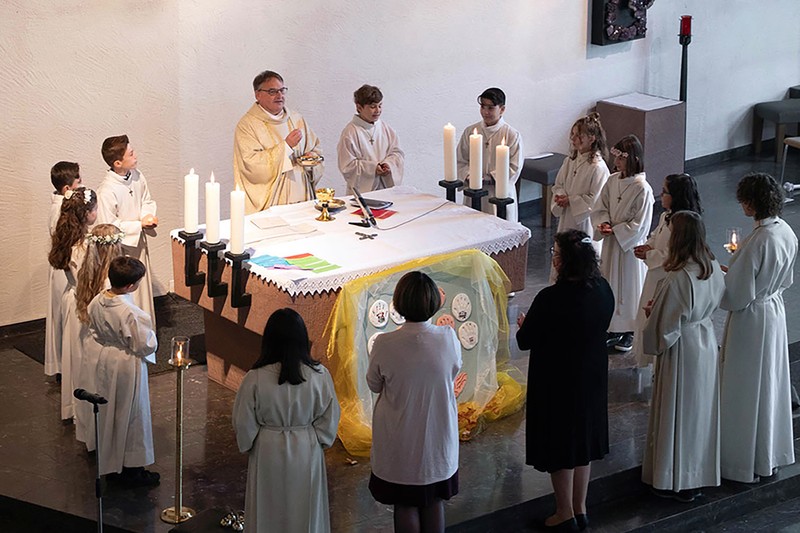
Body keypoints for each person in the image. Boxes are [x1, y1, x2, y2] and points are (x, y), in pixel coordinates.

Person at [517, 230, 614, 532]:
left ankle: (563, 513)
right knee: (582, 442)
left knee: (560, 444)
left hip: (557, 381)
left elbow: (525, 340)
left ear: (563, 262)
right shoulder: (603, 288)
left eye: (555, 254)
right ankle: (580, 508)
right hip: (591, 378)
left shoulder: (550, 298)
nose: (554, 259)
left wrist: (526, 324)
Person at [367, 271, 461, 533]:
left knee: (405, 503)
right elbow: (453, 371)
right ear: (434, 302)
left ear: (398, 303)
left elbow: (374, 384)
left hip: (400, 439)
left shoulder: (385, 343)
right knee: (434, 502)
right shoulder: (448, 337)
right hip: (437, 440)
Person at [641, 211, 724, 502]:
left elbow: (665, 327)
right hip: (705, 341)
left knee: (678, 412)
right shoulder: (712, 266)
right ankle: (696, 475)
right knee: (698, 414)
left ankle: (673, 478)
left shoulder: (679, 277)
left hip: (682, 349)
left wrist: (652, 314)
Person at [719, 172, 798, 483]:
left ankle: (743, 461)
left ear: (751, 204)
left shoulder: (757, 241)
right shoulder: (785, 230)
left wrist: (720, 277)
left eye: (744, 201)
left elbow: (737, 295)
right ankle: (769, 455)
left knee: (746, 388)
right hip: (773, 312)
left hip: (751, 320)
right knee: (769, 385)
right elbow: (786, 279)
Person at [233, 308, 340, 533]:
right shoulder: (319, 375)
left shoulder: (255, 378)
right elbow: (330, 415)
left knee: (267, 509)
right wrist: (317, 438)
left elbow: (243, 420)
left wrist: (252, 442)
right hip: (306, 448)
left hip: (267, 448)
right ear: (302, 339)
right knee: (306, 511)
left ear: (269, 340)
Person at [83, 256, 159, 487]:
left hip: (107, 358)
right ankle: (132, 470)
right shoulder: (130, 312)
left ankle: (112, 463)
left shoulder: (98, 300)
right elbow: (144, 344)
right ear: (129, 286)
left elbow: (94, 331)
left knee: (112, 412)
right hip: (127, 364)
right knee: (132, 413)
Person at [591, 134, 654, 352]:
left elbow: (640, 224)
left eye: (620, 158)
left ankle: (629, 330)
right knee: (610, 283)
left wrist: (616, 230)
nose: (616, 162)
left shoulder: (642, 188)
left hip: (628, 249)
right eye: (616, 157)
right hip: (611, 245)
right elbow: (600, 207)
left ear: (633, 159)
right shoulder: (612, 180)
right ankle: (611, 327)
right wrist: (603, 223)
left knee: (628, 287)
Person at [632, 173, 703, 367]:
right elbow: (656, 236)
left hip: (668, 277)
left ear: (677, 196)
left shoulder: (684, 225)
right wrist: (648, 246)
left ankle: (661, 365)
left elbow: (676, 254)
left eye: (665, 192)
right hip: (654, 275)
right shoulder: (666, 216)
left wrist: (650, 255)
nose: (661, 195)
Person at [233, 70, 324, 213]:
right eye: (272, 91)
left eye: (282, 90)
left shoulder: (296, 119)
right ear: (258, 95)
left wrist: (311, 158)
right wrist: (286, 147)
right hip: (273, 201)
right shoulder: (247, 125)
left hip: (303, 195)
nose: (279, 95)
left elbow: (315, 148)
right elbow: (251, 164)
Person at [96, 134, 158, 327]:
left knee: (142, 292)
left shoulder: (137, 175)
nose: (135, 155)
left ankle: (145, 332)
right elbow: (109, 227)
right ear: (117, 163)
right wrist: (139, 226)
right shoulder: (106, 190)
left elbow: (146, 200)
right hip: (120, 252)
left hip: (138, 245)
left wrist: (147, 216)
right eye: (131, 154)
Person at [48, 187, 98, 420]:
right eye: (95, 208)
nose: (97, 212)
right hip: (83, 302)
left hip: (72, 299)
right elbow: (87, 280)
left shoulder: (69, 238)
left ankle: (74, 407)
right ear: (87, 213)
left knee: (75, 354)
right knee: (83, 356)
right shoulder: (83, 246)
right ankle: (83, 412)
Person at [73, 224, 125, 446]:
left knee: (90, 385)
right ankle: (105, 441)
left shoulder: (86, 272)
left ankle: (91, 437)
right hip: (107, 347)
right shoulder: (111, 285)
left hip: (90, 343)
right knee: (106, 395)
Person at [549, 112, 610, 281]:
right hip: (567, 217)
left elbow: (596, 199)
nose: (573, 139)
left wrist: (571, 200)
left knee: (580, 258)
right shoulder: (570, 161)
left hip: (584, 221)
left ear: (592, 138)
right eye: (573, 135)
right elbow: (558, 184)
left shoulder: (598, 167)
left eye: (579, 136)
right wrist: (560, 196)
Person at [457, 87, 523, 222]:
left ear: (502, 109)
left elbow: (514, 167)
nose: (485, 112)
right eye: (483, 107)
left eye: (491, 108)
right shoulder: (471, 131)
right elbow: (461, 159)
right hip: (475, 191)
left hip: (499, 193)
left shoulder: (511, 135)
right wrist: (470, 176)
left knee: (500, 227)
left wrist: (490, 178)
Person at [45, 161, 83, 379]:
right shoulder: (61, 209)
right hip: (66, 267)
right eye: (78, 179)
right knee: (63, 317)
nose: (82, 182)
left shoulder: (60, 204)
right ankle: (65, 365)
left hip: (63, 265)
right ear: (67, 188)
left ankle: (65, 364)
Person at [337, 84, 405, 194]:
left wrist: (388, 164)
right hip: (362, 194)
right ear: (359, 107)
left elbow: (397, 153)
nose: (378, 110)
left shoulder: (385, 128)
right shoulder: (350, 133)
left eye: (380, 106)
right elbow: (347, 166)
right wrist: (373, 169)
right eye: (373, 107)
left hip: (386, 190)